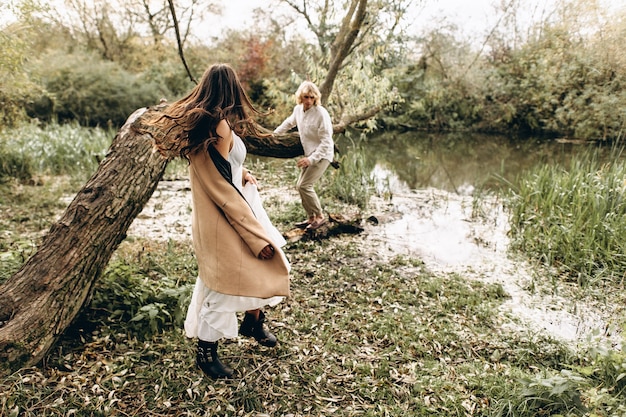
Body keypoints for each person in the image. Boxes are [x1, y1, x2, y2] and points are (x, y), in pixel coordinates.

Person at [146, 63, 290, 380]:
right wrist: (255, 238)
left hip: (234, 211)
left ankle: (253, 322)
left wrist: (242, 173)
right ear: (230, 89)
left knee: (257, 270)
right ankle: (206, 353)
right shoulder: (218, 127)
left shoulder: (214, 125)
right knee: (222, 287)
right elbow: (220, 187)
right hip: (225, 219)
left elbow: (221, 171)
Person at [274, 81, 334, 230]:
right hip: (310, 154)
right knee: (300, 186)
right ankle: (311, 217)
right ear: (300, 97)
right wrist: (272, 135)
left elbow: (326, 142)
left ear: (316, 98)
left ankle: (320, 217)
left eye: (311, 97)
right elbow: (288, 123)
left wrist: (311, 159)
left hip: (322, 154)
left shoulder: (321, 113)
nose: (308, 101)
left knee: (305, 185)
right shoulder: (298, 110)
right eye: (305, 97)